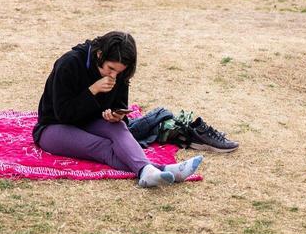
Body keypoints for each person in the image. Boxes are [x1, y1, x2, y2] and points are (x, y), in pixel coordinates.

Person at [34, 31, 203, 188]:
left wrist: (116, 116)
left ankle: (148, 172)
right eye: (110, 69)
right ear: (99, 55)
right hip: (53, 127)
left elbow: (121, 107)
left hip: (90, 122)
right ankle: (162, 169)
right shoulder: (69, 64)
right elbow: (63, 114)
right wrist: (92, 91)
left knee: (119, 128)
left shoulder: (121, 73)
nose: (114, 75)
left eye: (119, 71)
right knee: (103, 146)